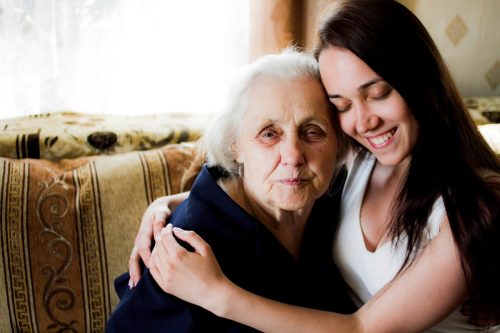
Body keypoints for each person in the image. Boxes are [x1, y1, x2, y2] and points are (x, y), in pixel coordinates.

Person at [129, 0, 500, 332]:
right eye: (342, 105)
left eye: (378, 94)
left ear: (421, 80)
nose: (363, 121)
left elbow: (361, 329)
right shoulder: (360, 159)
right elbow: (286, 178)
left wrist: (217, 294)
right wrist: (166, 206)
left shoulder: (475, 206)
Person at [105, 49, 355, 332]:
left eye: (312, 131)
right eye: (269, 134)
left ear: (338, 142)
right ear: (236, 145)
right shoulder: (187, 245)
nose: (293, 155)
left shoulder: (332, 199)